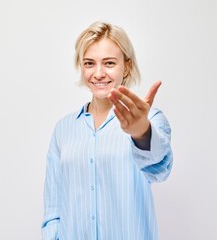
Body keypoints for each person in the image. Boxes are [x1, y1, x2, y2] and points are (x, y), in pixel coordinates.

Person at [41, 21, 173, 240]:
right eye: (89, 63)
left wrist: (141, 133)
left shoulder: (150, 119)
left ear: (127, 66)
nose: (99, 73)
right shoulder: (63, 129)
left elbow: (159, 169)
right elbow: (53, 210)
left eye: (109, 63)